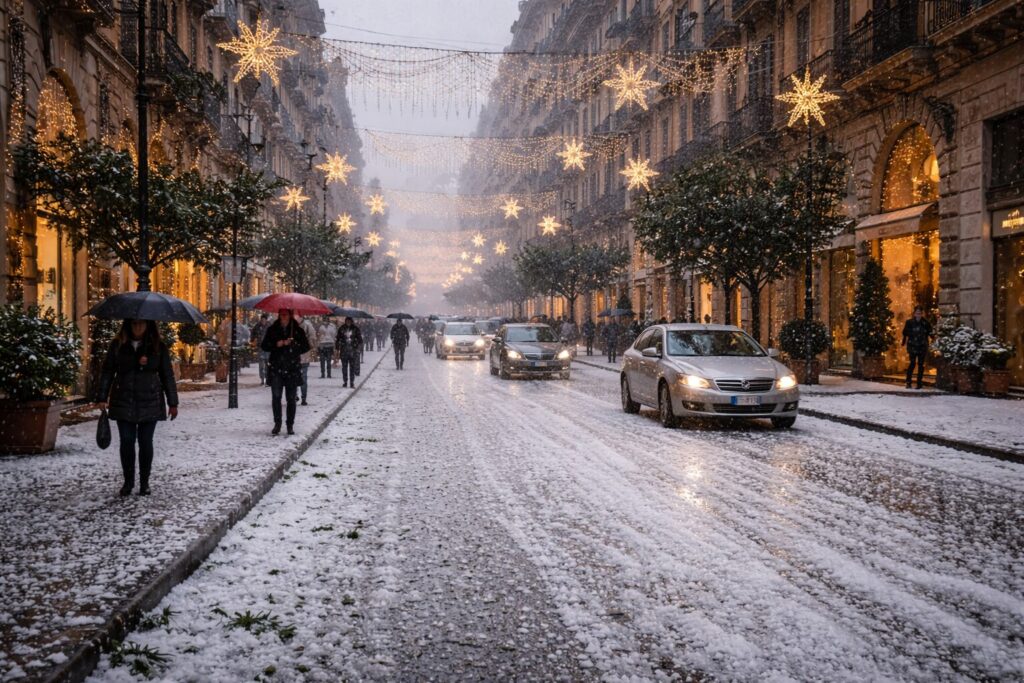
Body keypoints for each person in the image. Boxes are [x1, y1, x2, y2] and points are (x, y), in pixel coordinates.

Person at [96, 319, 179, 496]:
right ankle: (128, 481)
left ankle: (144, 482)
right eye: (134, 324)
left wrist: (173, 402)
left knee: (145, 442)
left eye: (142, 324)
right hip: (123, 399)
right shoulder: (118, 345)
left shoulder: (157, 346)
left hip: (150, 400)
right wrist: (102, 397)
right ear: (128, 325)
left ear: (149, 325)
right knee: (126, 441)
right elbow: (108, 371)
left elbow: (167, 374)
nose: (138, 327)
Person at [261, 309, 310, 435]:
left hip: (292, 368)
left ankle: (290, 425)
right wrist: (277, 344)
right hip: (276, 367)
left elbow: (306, 346)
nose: (283, 316)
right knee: (276, 397)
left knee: (291, 399)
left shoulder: (297, 330)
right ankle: (277, 423)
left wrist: (294, 345)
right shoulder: (273, 329)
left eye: (285, 314)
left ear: (290, 315)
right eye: (281, 314)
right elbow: (264, 345)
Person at [902, 305, 933, 389]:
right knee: (912, 363)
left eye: (920, 313)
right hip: (912, 346)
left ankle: (919, 383)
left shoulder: (925, 323)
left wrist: (932, 338)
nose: (918, 315)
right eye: (917, 313)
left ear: (922, 314)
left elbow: (930, 332)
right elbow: (905, 332)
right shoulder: (909, 322)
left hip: (922, 346)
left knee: (920, 365)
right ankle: (908, 382)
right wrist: (911, 334)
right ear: (914, 313)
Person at [335, 316, 363, 388]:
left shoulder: (355, 329)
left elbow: (360, 340)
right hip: (344, 351)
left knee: (352, 368)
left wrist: (355, 343)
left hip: (353, 351)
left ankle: (352, 382)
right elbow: (338, 339)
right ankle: (345, 381)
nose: (348, 322)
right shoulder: (341, 328)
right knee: (344, 367)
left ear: (351, 321)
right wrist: (338, 347)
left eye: (349, 321)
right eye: (347, 321)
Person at [297, 315, 317, 405]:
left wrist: (308, 342)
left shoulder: (308, 326)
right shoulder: (291, 326)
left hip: (303, 356)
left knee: (303, 377)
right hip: (293, 357)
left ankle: (303, 397)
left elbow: (312, 340)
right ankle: (295, 395)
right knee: (294, 377)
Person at [251, 313, 271, 386]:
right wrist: (253, 339)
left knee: (267, 364)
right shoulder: (257, 326)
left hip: (268, 348)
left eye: (264, 319)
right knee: (261, 365)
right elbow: (253, 333)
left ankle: (267, 379)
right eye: (262, 319)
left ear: (266, 320)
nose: (263, 321)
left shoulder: (269, 326)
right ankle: (262, 379)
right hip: (260, 348)